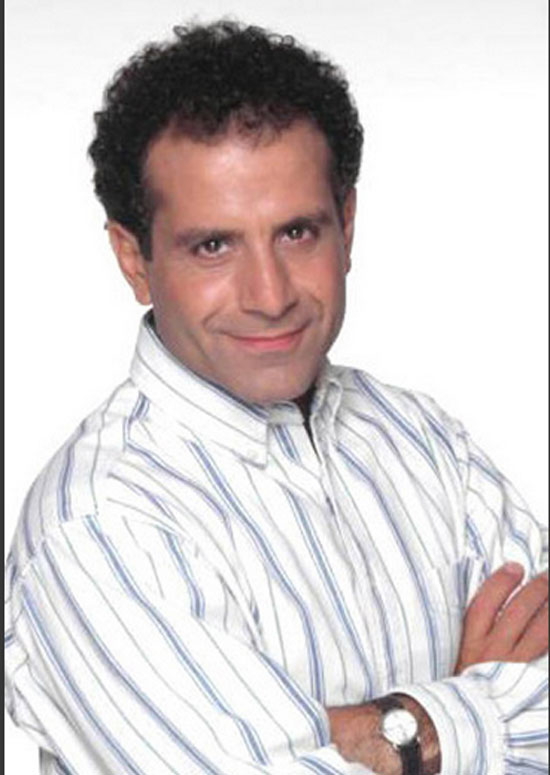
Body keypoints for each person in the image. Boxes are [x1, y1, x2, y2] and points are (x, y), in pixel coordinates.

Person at [4, 20, 548, 775]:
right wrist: (476, 711)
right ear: (134, 258)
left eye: (297, 232)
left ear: (346, 225)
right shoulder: (98, 527)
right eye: (213, 246)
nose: (270, 295)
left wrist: (373, 736)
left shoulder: (425, 441)